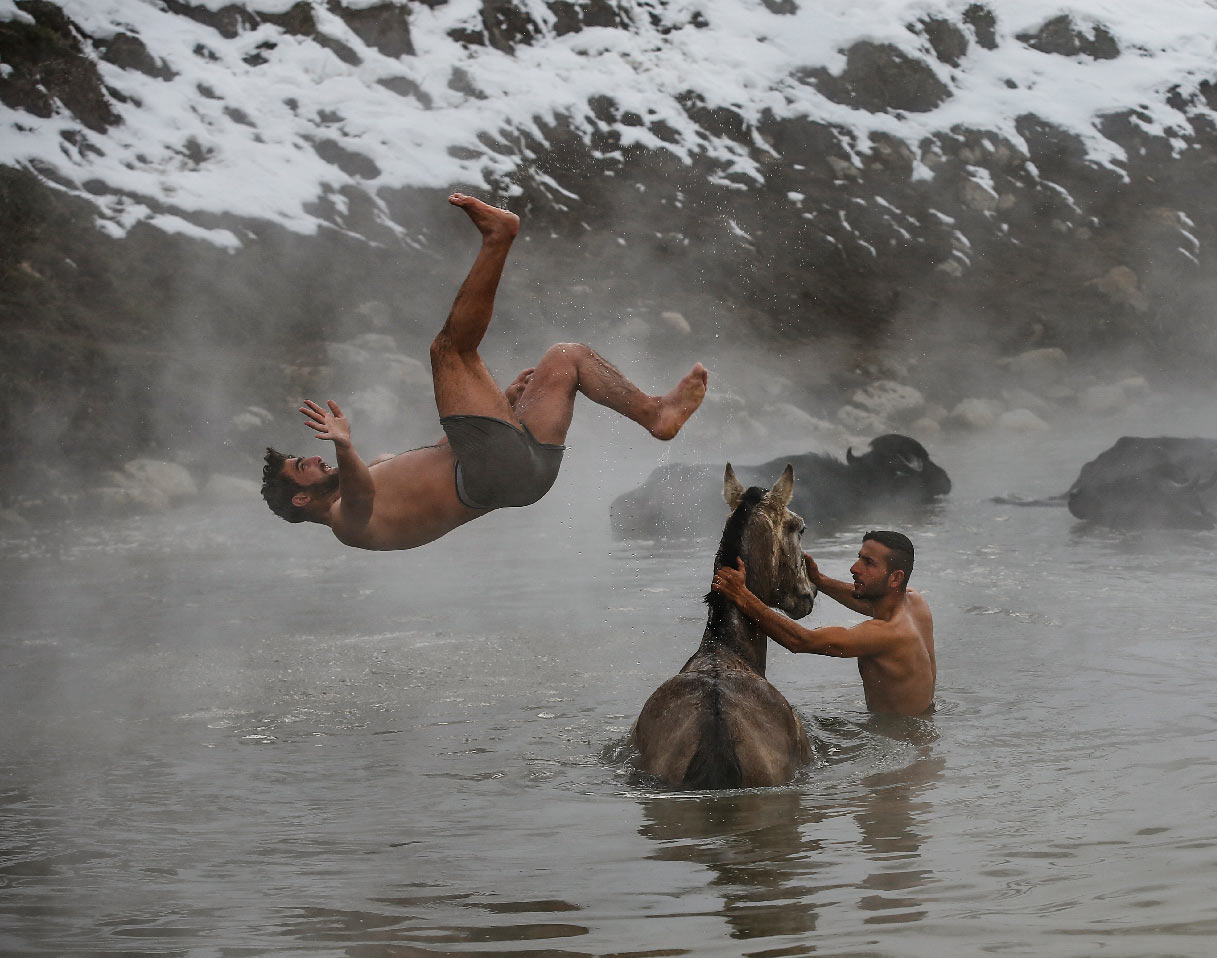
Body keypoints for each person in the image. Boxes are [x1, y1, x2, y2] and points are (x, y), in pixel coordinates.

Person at [260, 193, 709, 550]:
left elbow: (441, 453)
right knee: (448, 351)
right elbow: (361, 498)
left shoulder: (376, 468)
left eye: (309, 456)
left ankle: (654, 413)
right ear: (302, 498)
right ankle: (498, 237)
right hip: (493, 473)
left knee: (566, 356)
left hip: (520, 469)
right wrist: (343, 445)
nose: (313, 457)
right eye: (303, 465)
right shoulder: (344, 523)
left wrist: (505, 405)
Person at [711, 530, 936, 716]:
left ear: (896, 578)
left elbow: (800, 640)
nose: (854, 568)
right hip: (924, 722)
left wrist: (741, 595)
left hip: (898, 738)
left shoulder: (886, 634)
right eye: (859, 557)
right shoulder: (914, 601)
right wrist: (820, 581)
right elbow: (869, 602)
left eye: (868, 563)